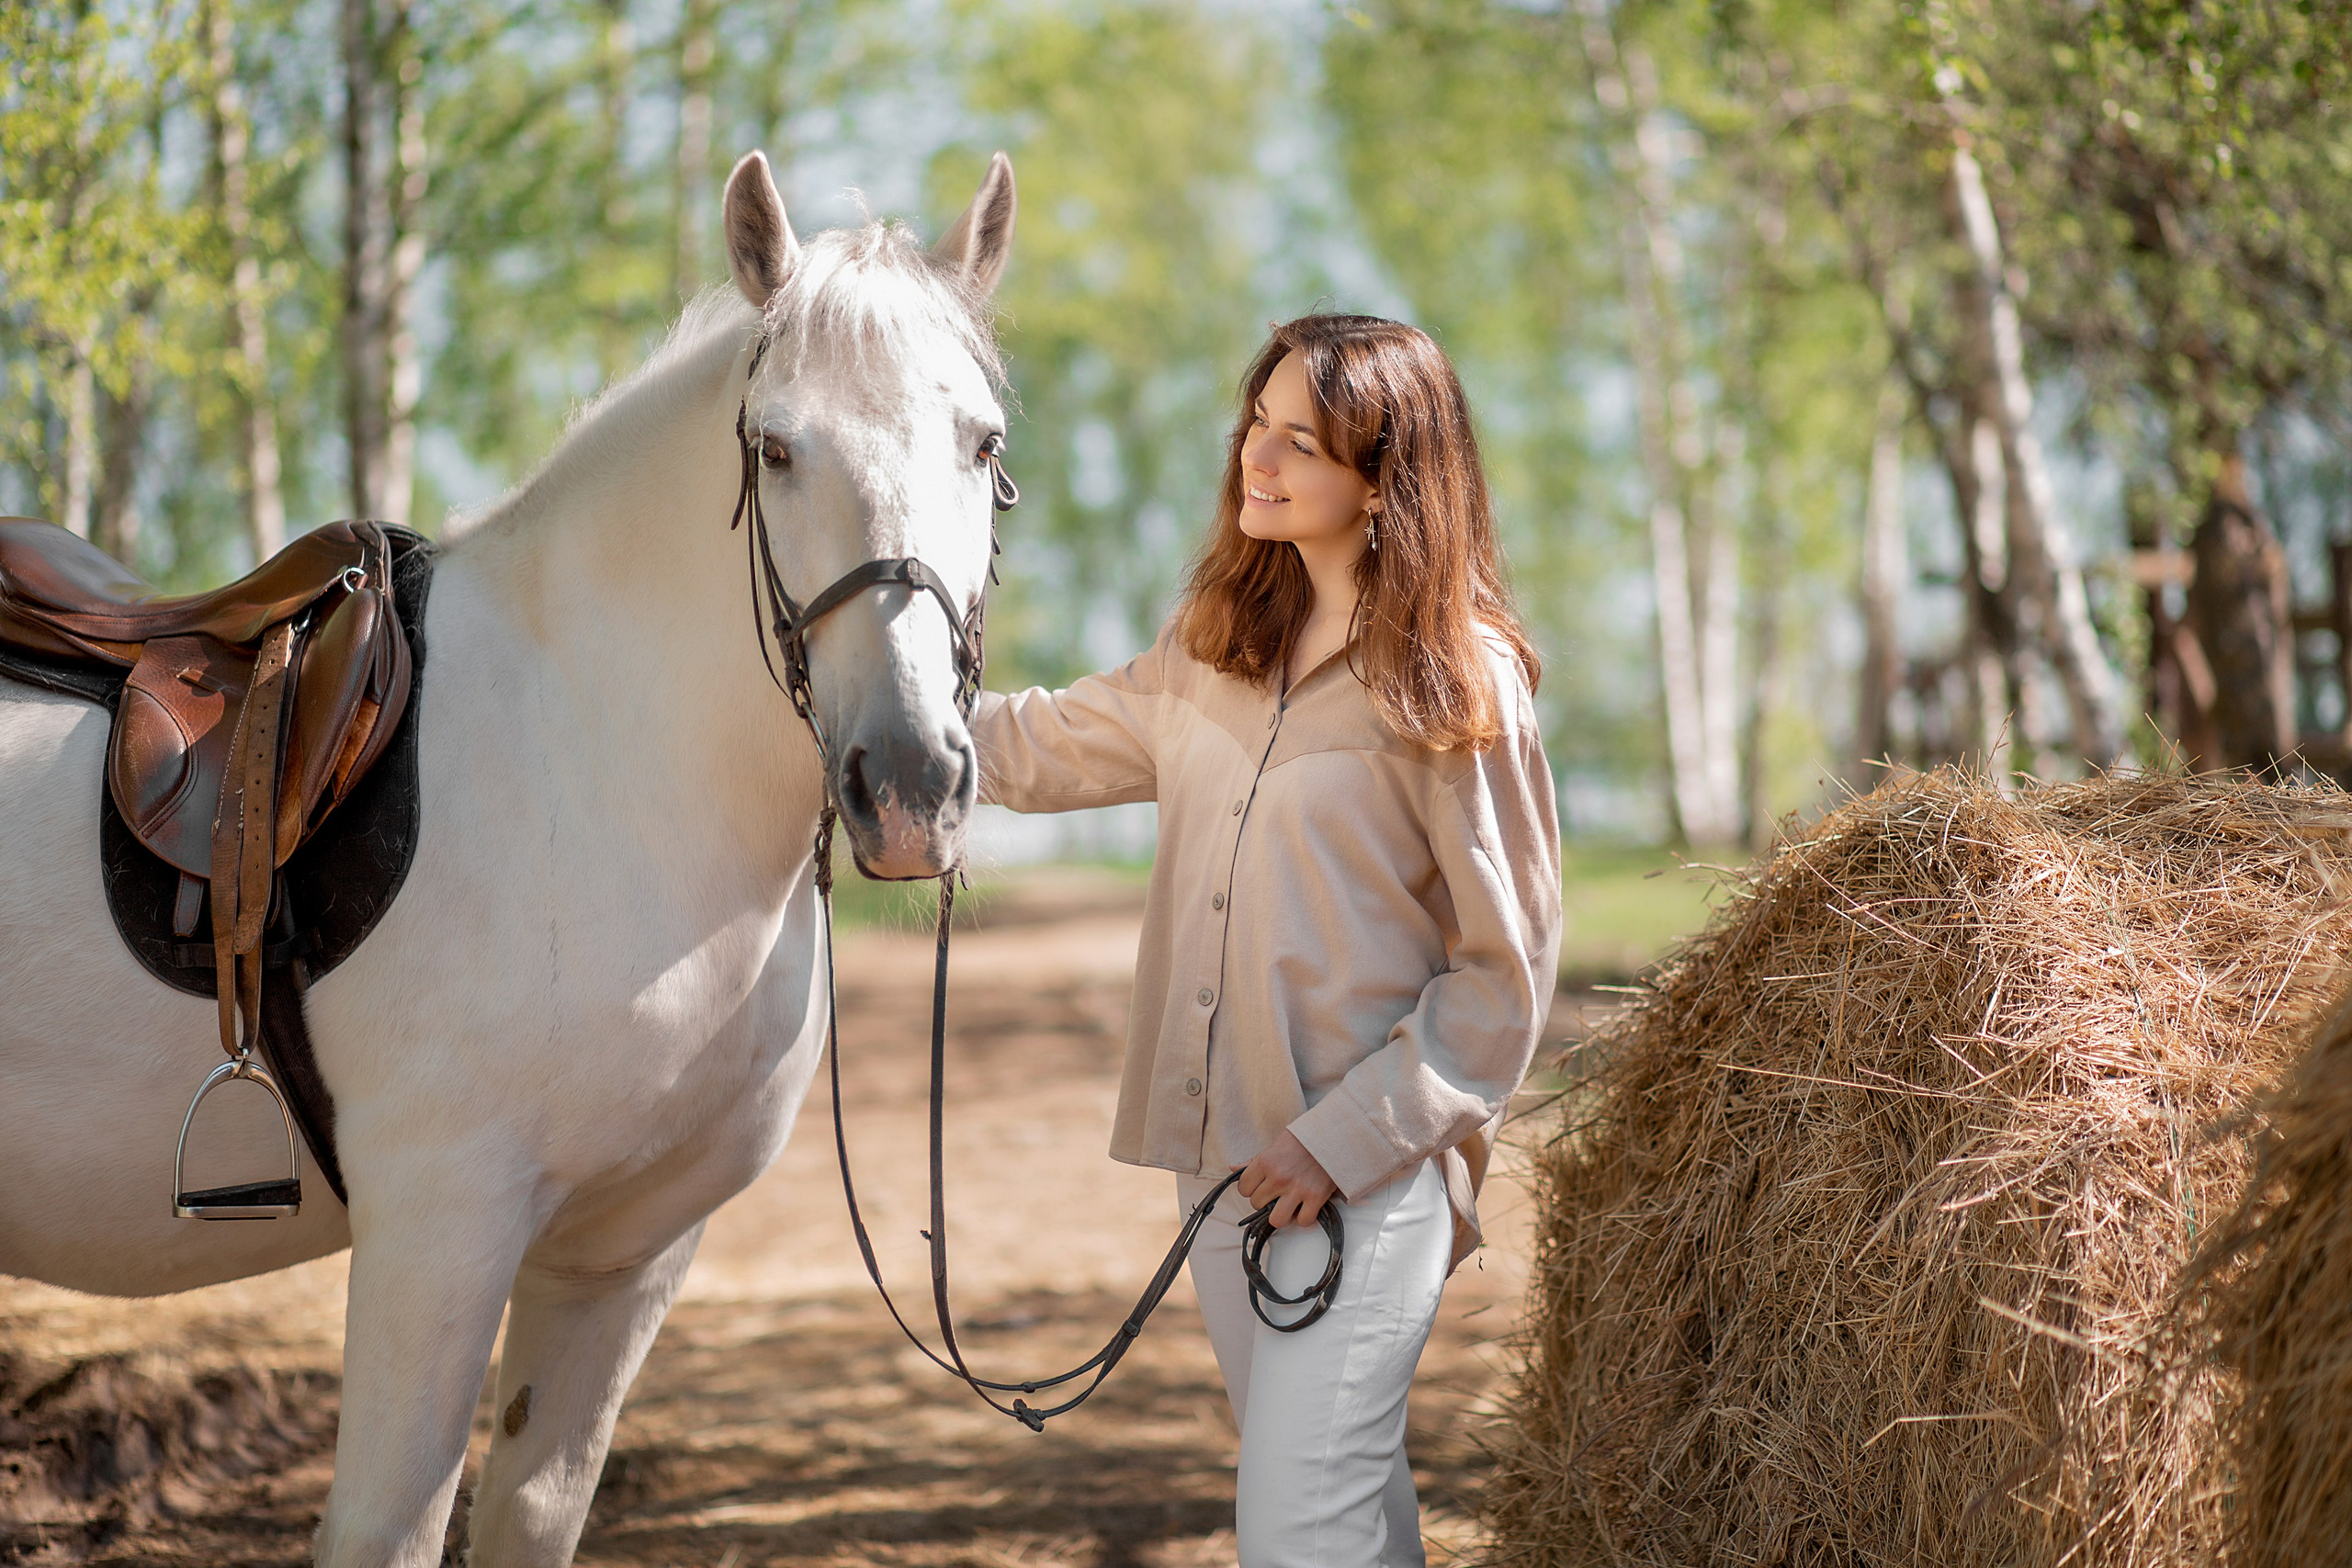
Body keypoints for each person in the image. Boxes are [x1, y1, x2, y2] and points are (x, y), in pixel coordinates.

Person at [972, 313, 1561, 1568]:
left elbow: (1502, 979)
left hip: (1363, 1174)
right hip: (1224, 1166)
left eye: (1305, 439)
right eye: (1259, 420)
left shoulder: (1457, 680)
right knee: (1344, 1507)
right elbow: (1033, 744)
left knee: (1301, 1527)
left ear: (1386, 481)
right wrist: (873, 709)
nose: (1262, 455)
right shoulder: (1211, 651)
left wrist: (1340, 1142)